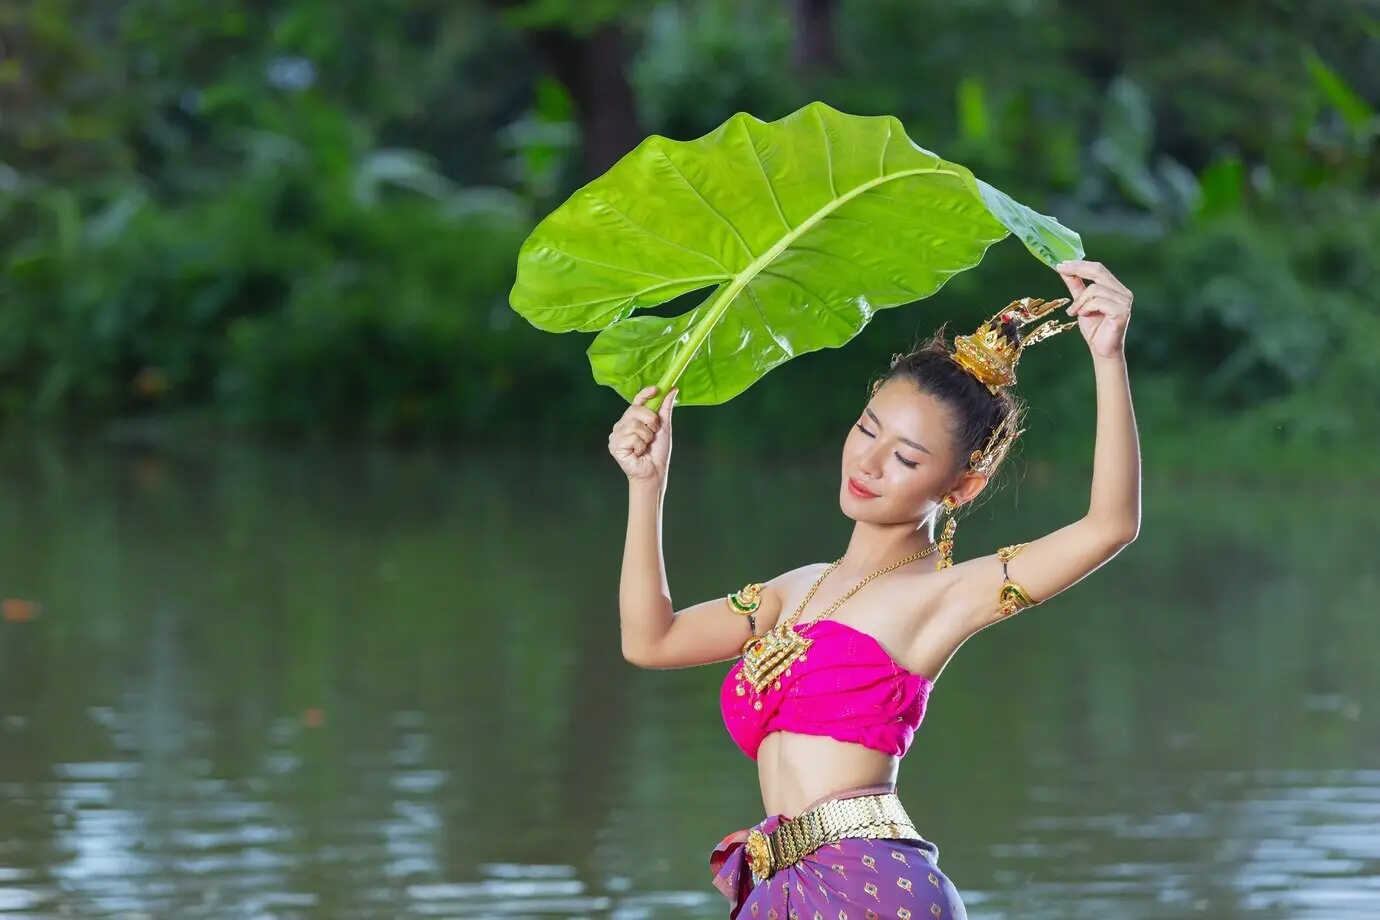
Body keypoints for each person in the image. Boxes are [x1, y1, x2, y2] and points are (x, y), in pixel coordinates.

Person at [608, 260, 1141, 920]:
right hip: (782, 883)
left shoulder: (942, 599)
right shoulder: (793, 591)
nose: (868, 461)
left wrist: (1109, 358)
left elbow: (1110, 526)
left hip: (872, 890)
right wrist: (646, 486)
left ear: (960, 487)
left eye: (907, 458)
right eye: (867, 429)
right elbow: (649, 640)